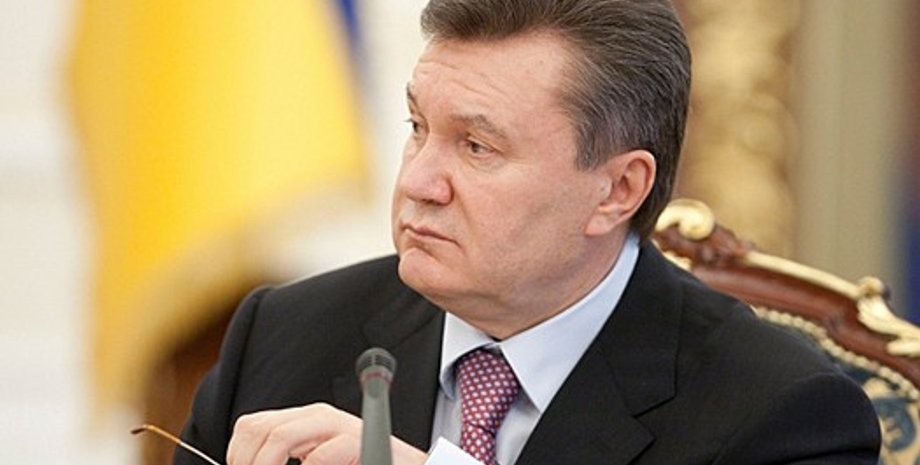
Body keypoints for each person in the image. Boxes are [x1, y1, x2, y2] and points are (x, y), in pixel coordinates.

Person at [176, 1, 881, 464]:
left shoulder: (779, 415)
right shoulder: (282, 337)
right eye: (418, 127)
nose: (419, 181)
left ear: (617, 190)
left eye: (477, 147)